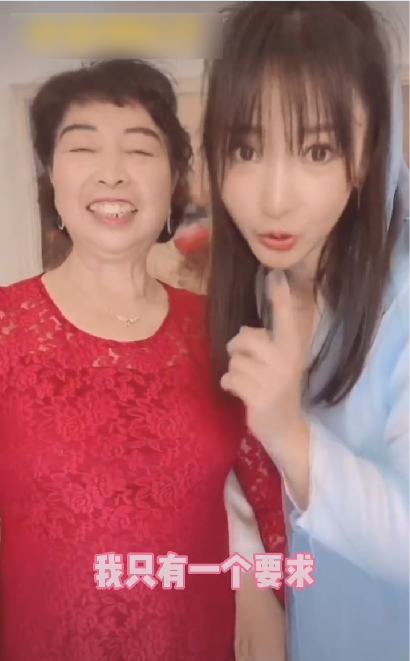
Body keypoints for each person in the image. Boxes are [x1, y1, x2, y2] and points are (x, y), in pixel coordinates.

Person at [0, 59, 286, 661]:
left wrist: (258, 587)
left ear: (175, 177)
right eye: (83, 149)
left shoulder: (221, 331)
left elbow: (267, 496)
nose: (112, 173)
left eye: (139, 150)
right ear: (51, 173)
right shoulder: (7, 328)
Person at [203, 2, 409, 660]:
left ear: (368, 152)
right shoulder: (272, 283)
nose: (273, 198)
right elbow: (242, 466)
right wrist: (250, 579)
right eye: (245, 148)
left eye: (317, 149)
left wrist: (292, 433)